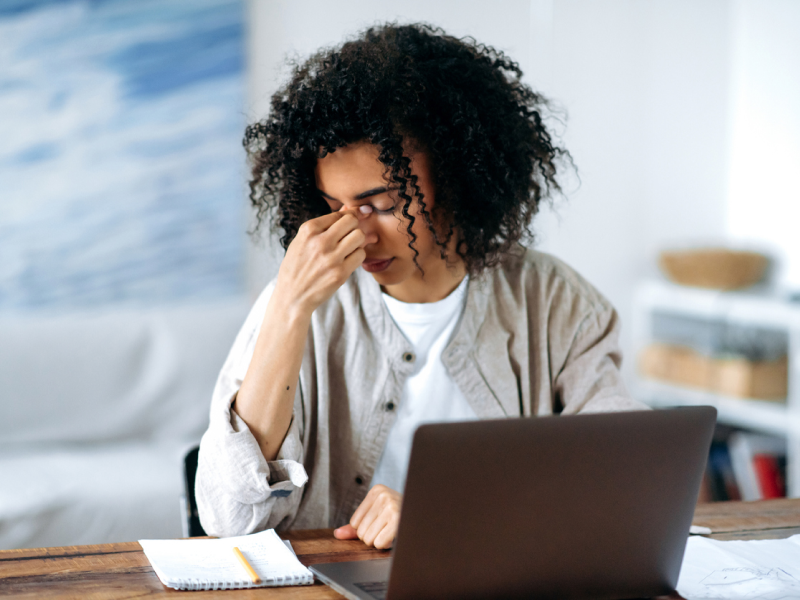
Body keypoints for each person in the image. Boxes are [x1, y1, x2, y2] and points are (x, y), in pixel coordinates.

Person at [196, 22, 646, 550]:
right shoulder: (299, 301)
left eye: (383, 204)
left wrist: (447, 516)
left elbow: (627, 484)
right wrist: (289, 310)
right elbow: (228, 518)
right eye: (333, 207)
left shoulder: (555, 303)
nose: (357, 234)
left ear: (456, 178)